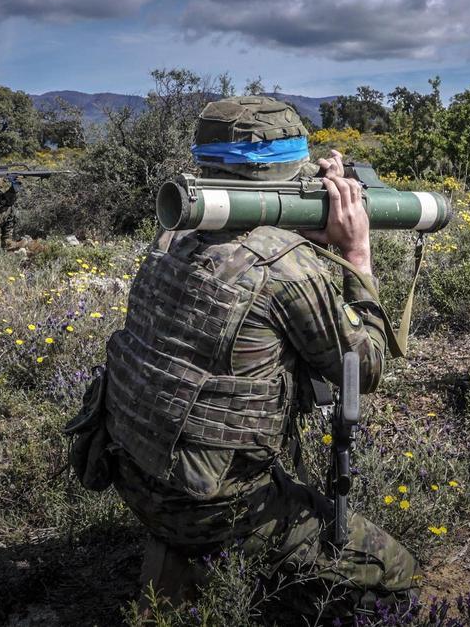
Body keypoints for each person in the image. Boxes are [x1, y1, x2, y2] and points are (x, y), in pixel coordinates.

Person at [68, 96, 417, 618]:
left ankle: (179, 561)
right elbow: (363, 371)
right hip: (217, 509)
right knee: (396, 570)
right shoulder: (289, 268)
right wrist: (356, 256)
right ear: (285, 167)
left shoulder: (172, 234)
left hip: (132, 476)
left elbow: (243, 259)